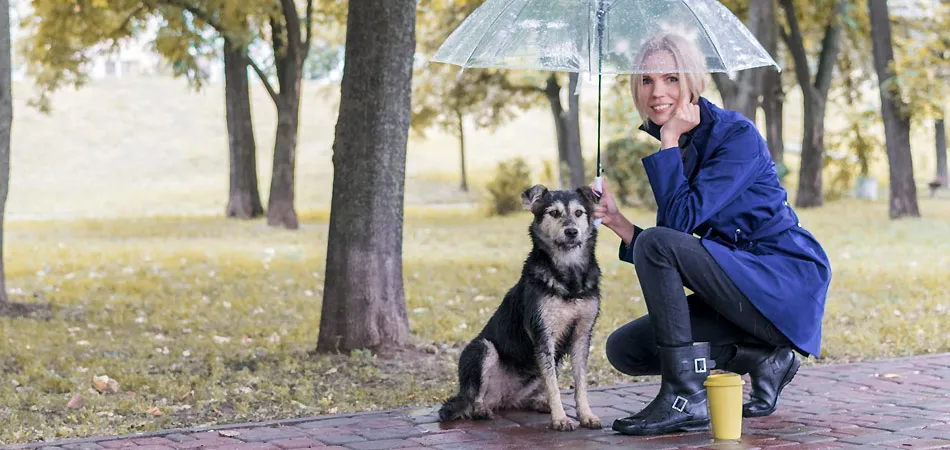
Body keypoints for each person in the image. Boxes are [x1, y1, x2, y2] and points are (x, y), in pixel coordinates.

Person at [591, 33, 832, 436]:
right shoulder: (684, 143)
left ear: (693, 81)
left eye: (670, 78)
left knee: (658, 242)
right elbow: (671, 240)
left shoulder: (736, 137)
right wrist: (618, 222)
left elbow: (675, 229)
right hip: (737, 287)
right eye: (646, 81)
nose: (657, 92)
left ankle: (685, 398)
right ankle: (760, 359)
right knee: (627, 350)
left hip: (782, 284)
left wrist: (667, 141)